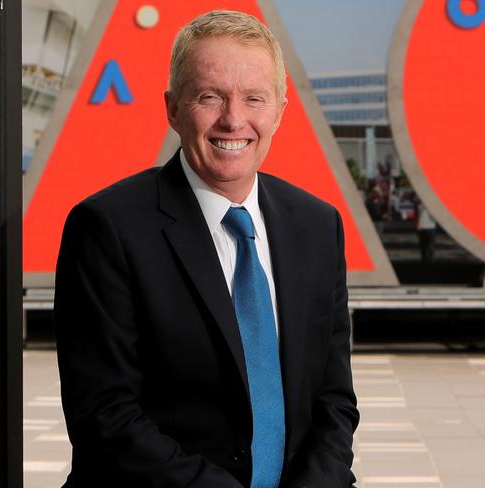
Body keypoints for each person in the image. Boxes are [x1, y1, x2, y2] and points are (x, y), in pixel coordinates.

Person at [54, 10, 359, 488]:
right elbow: (105, 415)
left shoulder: (318, 226)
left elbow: (334, 399)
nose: (233, 119)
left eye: (254, 98)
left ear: (280, 110)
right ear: (173, 108)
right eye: (209, 97)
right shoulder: (107, 228)